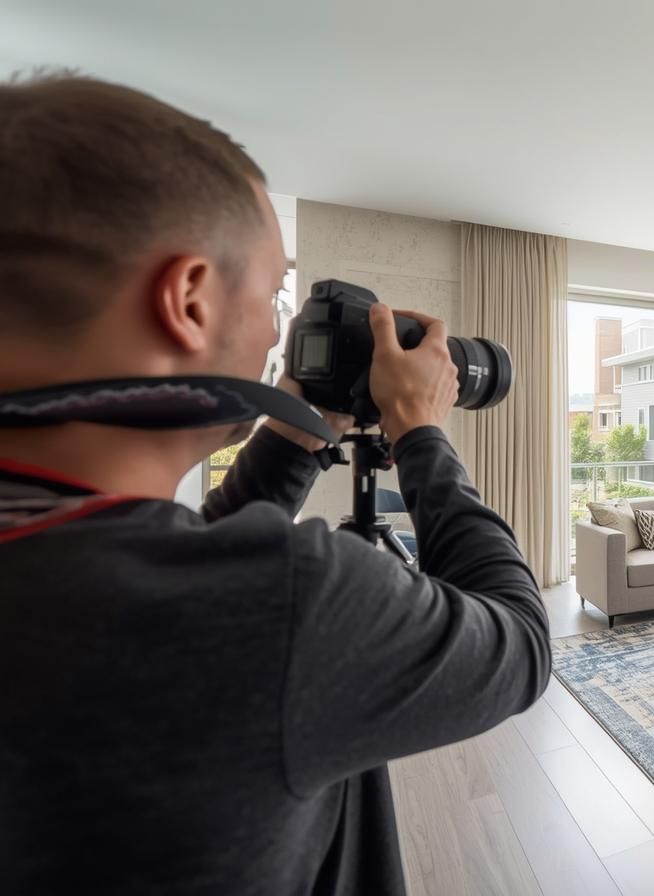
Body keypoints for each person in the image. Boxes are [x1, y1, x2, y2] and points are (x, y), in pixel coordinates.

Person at [0, 73, 551, 894]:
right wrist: (423, 431)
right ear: (187, 300)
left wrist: (291, 433)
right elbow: (520, 642)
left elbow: (176, 556)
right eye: (272, 295)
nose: (274, 339)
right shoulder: (284, 600)